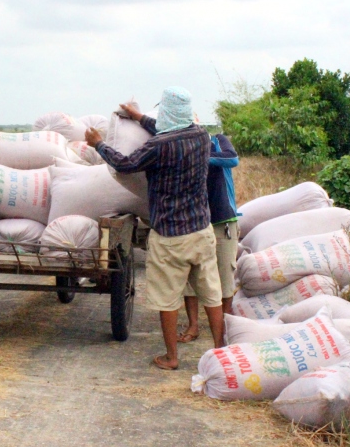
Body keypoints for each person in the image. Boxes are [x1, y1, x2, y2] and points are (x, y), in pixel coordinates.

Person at [85, 87, 225, 370]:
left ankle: (172, 358)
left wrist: (98, 144)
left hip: (170, 236)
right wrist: (139, 118)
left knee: (168, 299)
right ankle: (222, 351)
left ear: (167, 114)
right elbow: (167, 128)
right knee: (211, 292)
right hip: (201, 230)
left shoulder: (159, 146)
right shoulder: (201, 136)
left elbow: (125, 165)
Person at [179, 133, 240, 344]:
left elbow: (232, 159)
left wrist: (198, 156)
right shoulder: (181, 150)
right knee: (191, 277)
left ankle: (224, 328)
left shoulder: (217, 140)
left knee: (224, 275)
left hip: (223, 221)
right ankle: (193, 326)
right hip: (195, 222)